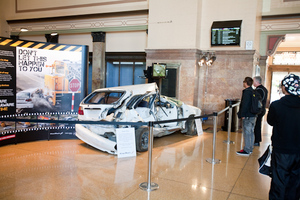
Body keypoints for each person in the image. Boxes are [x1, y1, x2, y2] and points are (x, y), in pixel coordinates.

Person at [267, 73, 300, 200]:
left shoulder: (276, 105)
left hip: (282, 150)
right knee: (296, 182)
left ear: (284, 88)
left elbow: (270, 121)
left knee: (279, 181)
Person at [236, 77, 257, 156]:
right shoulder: (253, 91)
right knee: (251, 132)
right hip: (253, 115)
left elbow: (245, 104)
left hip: (247, 115)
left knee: (247, 132)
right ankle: (250, 148)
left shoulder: (246, 92)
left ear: (245, 83)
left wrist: (242, 114)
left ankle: (246, 149)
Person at [252, 76, 268, 146]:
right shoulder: (264, 89)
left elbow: (257, 101)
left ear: (256, 82)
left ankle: (256, 140)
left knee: (257, 125)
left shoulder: (259, 90)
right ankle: (256, 140)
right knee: (258, 125)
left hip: (259, 111)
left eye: (253, 81)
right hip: (262, 110)